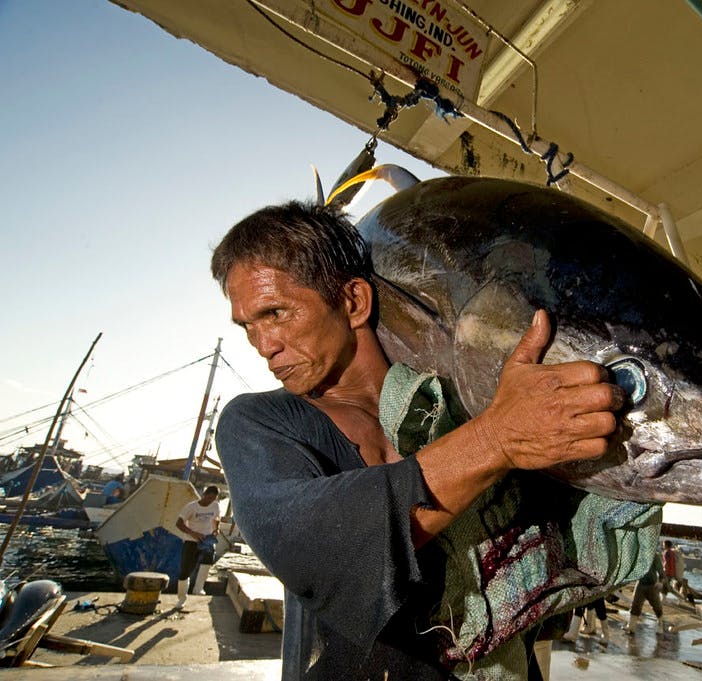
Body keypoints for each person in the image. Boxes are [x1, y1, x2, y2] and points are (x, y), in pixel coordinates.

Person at [210, 201, 630, 681]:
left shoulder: (465, 405)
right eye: (249, 326)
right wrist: (496, 441)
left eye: (276, 313)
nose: (264, 345)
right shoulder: (258, 423)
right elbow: (312, 548)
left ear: (353, 302)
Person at [174, 485, 221, 608]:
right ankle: (182, 598)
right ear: (204, 494)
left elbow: (216, 518)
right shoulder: (191, 507)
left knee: (208, 562)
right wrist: (193, 533)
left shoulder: (215, 506)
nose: (211, 501)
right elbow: (179, 523)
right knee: (185, 570)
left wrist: (216, 529)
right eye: (209, 498)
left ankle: (198, 589)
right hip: (191, 541)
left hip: (207, 540)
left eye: (213, 499)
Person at [623, 553, 666, 635]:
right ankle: (631, 626)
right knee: (635, 605)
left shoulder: (654, 555)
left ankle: (660, 625)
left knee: (656, 606)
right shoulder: (638, 553)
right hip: (640, 583)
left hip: (652, 585)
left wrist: (661, 582)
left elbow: (661, 572)